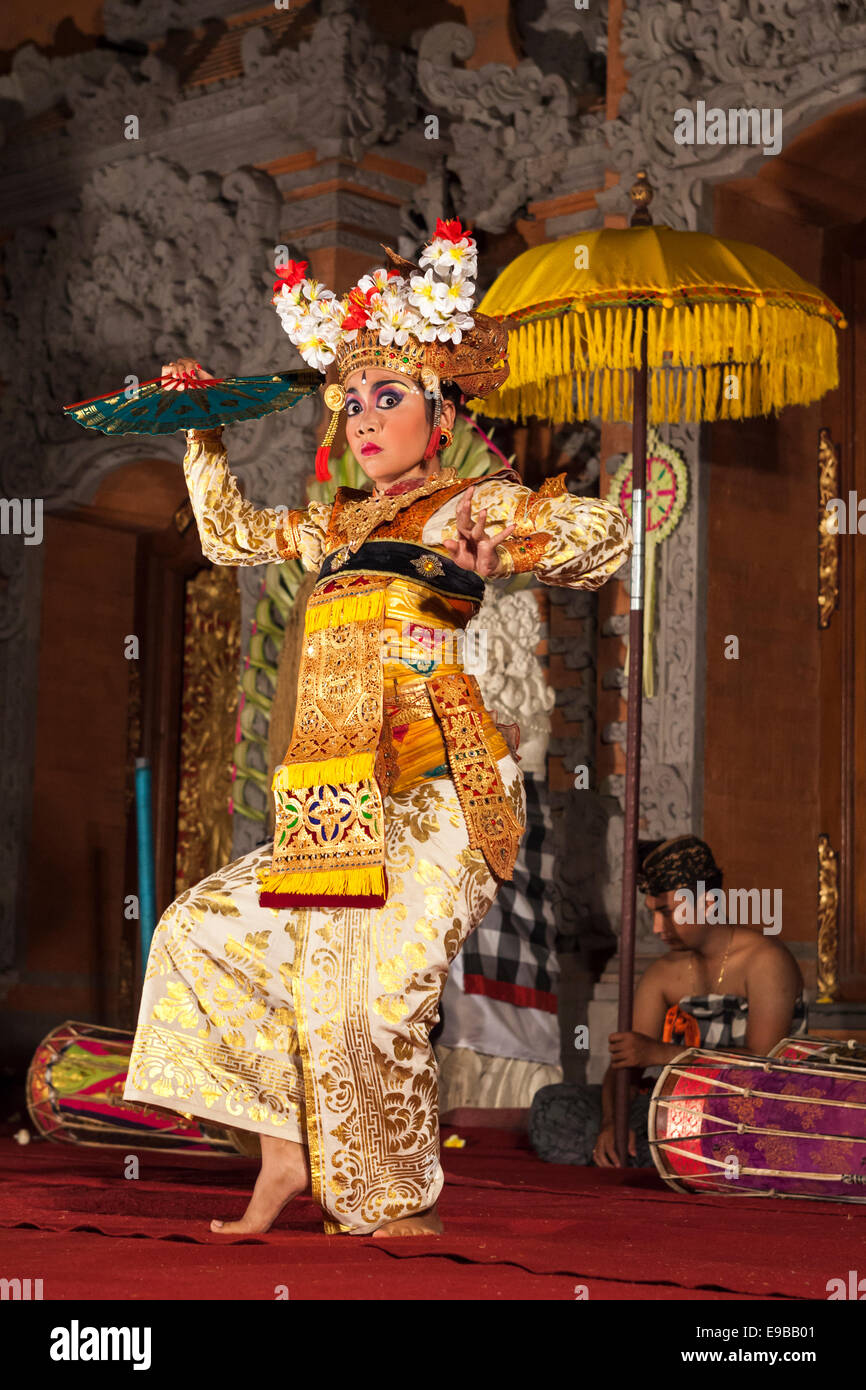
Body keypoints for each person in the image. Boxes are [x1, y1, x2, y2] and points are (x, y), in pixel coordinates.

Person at [122, 217, 632, 1237]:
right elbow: (227, 535)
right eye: (349, 400)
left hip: (444, 793)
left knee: (370, 997)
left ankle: (387, 1201)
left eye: (386, 396)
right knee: (202, 934)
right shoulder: (343, 521)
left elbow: (599, 537)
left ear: (437, 411)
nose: (361, 417)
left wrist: (526, 531)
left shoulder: (470, 502)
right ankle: (282, 1154)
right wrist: (202, 424)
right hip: (338, 798)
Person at [530, 834, 806, 1169]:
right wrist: (611, 1123)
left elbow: (764, 1065)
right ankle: (648, 1154)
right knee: (552, 1103)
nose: (659, 928)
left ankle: (670, 1156)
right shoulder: (662, 974)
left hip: (747, 1111)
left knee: (694, 1125)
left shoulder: (766, 960)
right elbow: (625, 1065)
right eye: (652, 914)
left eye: (667, 912)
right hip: (671, 1107)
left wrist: (661, 1053)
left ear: (707, 903)